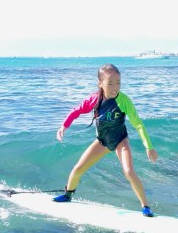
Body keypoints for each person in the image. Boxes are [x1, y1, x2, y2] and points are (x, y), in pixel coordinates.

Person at [54, 63, 159, 216]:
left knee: (129, 171)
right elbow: (76, 111)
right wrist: (64, 125)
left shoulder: (124, 101)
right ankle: (68, 194)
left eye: (118, 83)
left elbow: (139, 125)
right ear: (100, 84)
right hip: (102, 141)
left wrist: (149, 147)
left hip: (120, 141)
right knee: (78, 169)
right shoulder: (95, 99)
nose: (115, 87)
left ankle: (145, 206)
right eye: (110, 83)